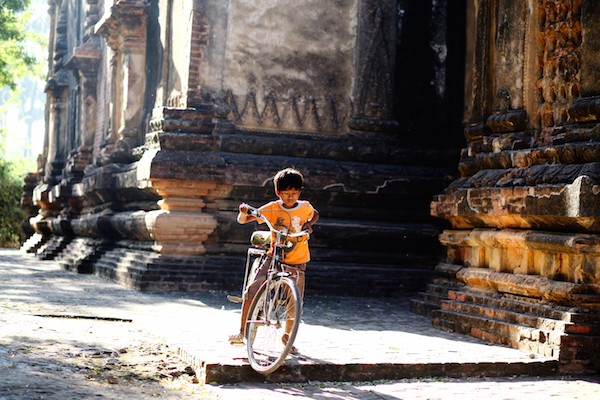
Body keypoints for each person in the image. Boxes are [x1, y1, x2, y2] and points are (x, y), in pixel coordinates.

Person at [229, 168, 319, 345]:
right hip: (274, 257)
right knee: (251, 292)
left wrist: (309, 224)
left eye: (294, 193)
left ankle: (288, 338)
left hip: (297, 261)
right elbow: (245, 219)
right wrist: (243, 212)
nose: (290, 197)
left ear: (299, 192)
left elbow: (315, 214)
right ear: (278, 193)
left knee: (294, 302)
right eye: (286, 193)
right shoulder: (272, 208)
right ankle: (243, 333)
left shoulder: (305, 207)